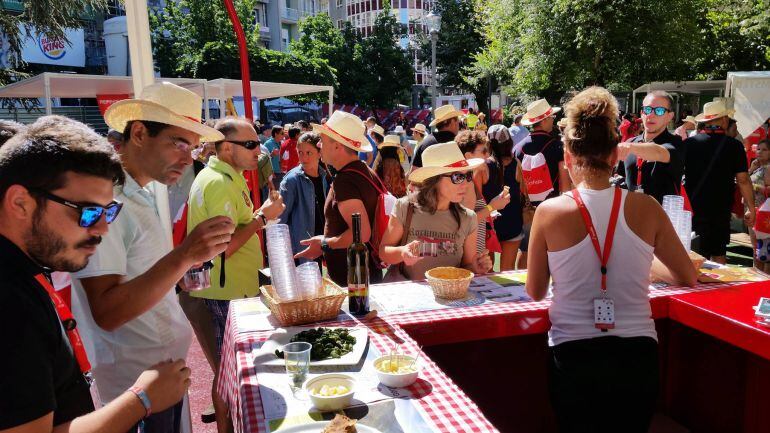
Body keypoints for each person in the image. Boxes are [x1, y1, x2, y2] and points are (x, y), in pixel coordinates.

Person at [0, 115, 192, 433]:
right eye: (88, 212)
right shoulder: (10, 301)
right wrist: (140, 399)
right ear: (20, 203)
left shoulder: (21, 273)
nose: (103, 228)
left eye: (109, 211)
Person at [525, 86, 697, 433]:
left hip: (573, 355)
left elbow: (535, 292)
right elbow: (686, 275)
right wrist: (640, 262)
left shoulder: (549, 211)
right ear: (615, 155)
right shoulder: (645, 208)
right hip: (637, 356)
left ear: (569, 154)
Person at [71, 82, 235, 433]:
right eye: (179, 144)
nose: (188, 158)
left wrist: (184, 262)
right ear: (140, 133)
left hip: (157, 380)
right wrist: (184, 255)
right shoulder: (109, 201)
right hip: (137, 390)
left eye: (192, 147)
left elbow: (140, 278)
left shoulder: (135, 194)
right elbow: (107, 311)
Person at [186, 117, 284, 433]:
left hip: (230, 290)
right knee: (227, 373)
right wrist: (262, 218)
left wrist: (260, 217)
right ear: (227, 148)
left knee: (231, 370)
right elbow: (222, 249)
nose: (259, 151)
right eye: (251, 144)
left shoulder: (228, 176)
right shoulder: (218, 182)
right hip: (223, 292)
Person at [378, 141, 493, 280]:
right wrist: (402, 252)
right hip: (410, 297)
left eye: (468, 175)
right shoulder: (405, 207)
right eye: (457, 177)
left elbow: (466, 267)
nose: (466, 183)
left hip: (449, 298)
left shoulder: (468, 218)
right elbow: (384, 251)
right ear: (434, 179)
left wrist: (475, 268)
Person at [295, 111, 384, 286]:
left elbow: (361, 233)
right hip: (361, 275)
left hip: (354, 281)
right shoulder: (363, 170)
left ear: (337, 146)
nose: (319, 144)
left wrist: (324, 244)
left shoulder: (345, 180)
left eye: (323, 140)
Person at [684, 100, 755, 264]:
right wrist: (751, 207)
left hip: (693, 208)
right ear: (724, 120)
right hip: (720, 209)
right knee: (718, 255)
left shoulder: (689, 143)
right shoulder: (734, 146)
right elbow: (743, 180)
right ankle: (718, 289)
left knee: (694, 254)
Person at [516, 98, 572, 269]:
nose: (553, 121)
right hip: (551, 206)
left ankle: (521, 285)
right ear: (545, 120)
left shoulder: (518, 148)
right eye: (552, 118)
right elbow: (564, 181)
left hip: (526, 208)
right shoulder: (556, 146)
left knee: (525, 248)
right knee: (551, 250)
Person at [620, 91, 685, 204]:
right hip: (629, 217)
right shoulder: (631, 143)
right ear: (641, 113)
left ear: (670, 116)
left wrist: (628, 147)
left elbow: (659, 152)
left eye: (659, 111)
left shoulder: (676, 143)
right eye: (647, 110)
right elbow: (620, 178)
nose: (651, 115)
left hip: (661, 219)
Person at [455, 130, 511, 257]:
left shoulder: (465, 178)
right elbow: (466, 221)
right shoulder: (465, 183)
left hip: (471, 251)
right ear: (468, 156)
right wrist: (492, 207)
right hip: (468, 255)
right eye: (484, 151)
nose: (488, 155)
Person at [279, 131, 331, 263]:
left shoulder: (325, 176)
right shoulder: (291, 180)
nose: (304, 157)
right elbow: (280, 220)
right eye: (300, 152)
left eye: (309, 153)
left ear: (320, 153)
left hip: (323, 244)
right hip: (301, 249)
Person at [482, 126, 524, 270]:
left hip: (489, 224)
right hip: (512, 223)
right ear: (509, 143)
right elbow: (523, 192)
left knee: (486, 271)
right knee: (508, 271)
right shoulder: (517, 164)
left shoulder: (483, 166)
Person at [411, 104, 463, 169]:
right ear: (453, 122)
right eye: (458, 122)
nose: (458, 126)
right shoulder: (460, 144)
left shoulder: (424, 144)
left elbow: (413, 172)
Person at [748, 139, 770, 271]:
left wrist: (754, 186)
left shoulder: (768, 168)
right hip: (754, 212)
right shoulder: (757, 166)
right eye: (758, 149)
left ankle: (763, 284)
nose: (760, 152)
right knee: (757, 250)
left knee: (763, 252)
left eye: (765, 150)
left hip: (763, 214)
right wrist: (751, 169)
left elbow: (767, 190)